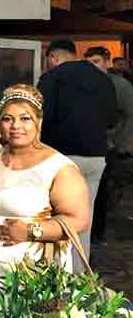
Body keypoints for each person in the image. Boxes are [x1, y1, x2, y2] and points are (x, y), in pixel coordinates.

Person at [0, 84, 90, 280]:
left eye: (25, 118)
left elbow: (79, 220)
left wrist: (31, 231)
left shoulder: (59, 167)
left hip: (34, 276)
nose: (16, 126)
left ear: (39, 122)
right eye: (7, 119)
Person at [37, 39, 116, 273]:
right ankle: (79, 275)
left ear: (53, 58)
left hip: (60, 158)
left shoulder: (52, 78)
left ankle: (55, 276)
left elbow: (42, 118)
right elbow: (112, 117)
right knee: (83, 219)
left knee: (55, 219)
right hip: (96, 157)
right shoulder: (103, 79)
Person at [84, 46, 133, 245]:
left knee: (104, 193)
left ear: (106, 62)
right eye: (89, 62)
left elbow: (130, 115)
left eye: (96, 62)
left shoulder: (120, 85)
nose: (92, 66)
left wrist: (122, 144)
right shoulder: (85, 82)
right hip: (88, 144)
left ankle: (97, 232)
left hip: (111, 146)